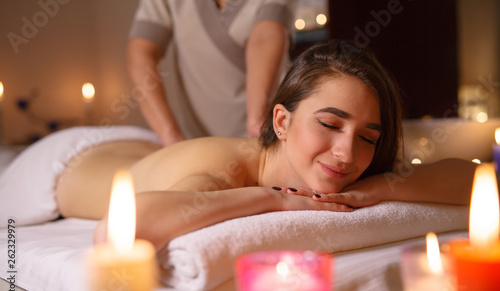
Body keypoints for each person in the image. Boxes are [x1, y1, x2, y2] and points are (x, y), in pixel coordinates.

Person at [55, 40, 476, 250]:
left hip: (148, 155)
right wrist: (272, 201)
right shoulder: (226, 173)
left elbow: (474, 178)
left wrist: (377, 189)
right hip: (72, 159)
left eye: (368, 137)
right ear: (282, 121)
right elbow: (113, 232)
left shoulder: (356, 167)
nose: (348, 154)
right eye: (330, 124)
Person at [127, 0, 297, 146]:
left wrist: (257, 124)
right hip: (197, 140)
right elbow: (141, 53)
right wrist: (170, 136)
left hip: (267, 133)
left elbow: (264, 38)